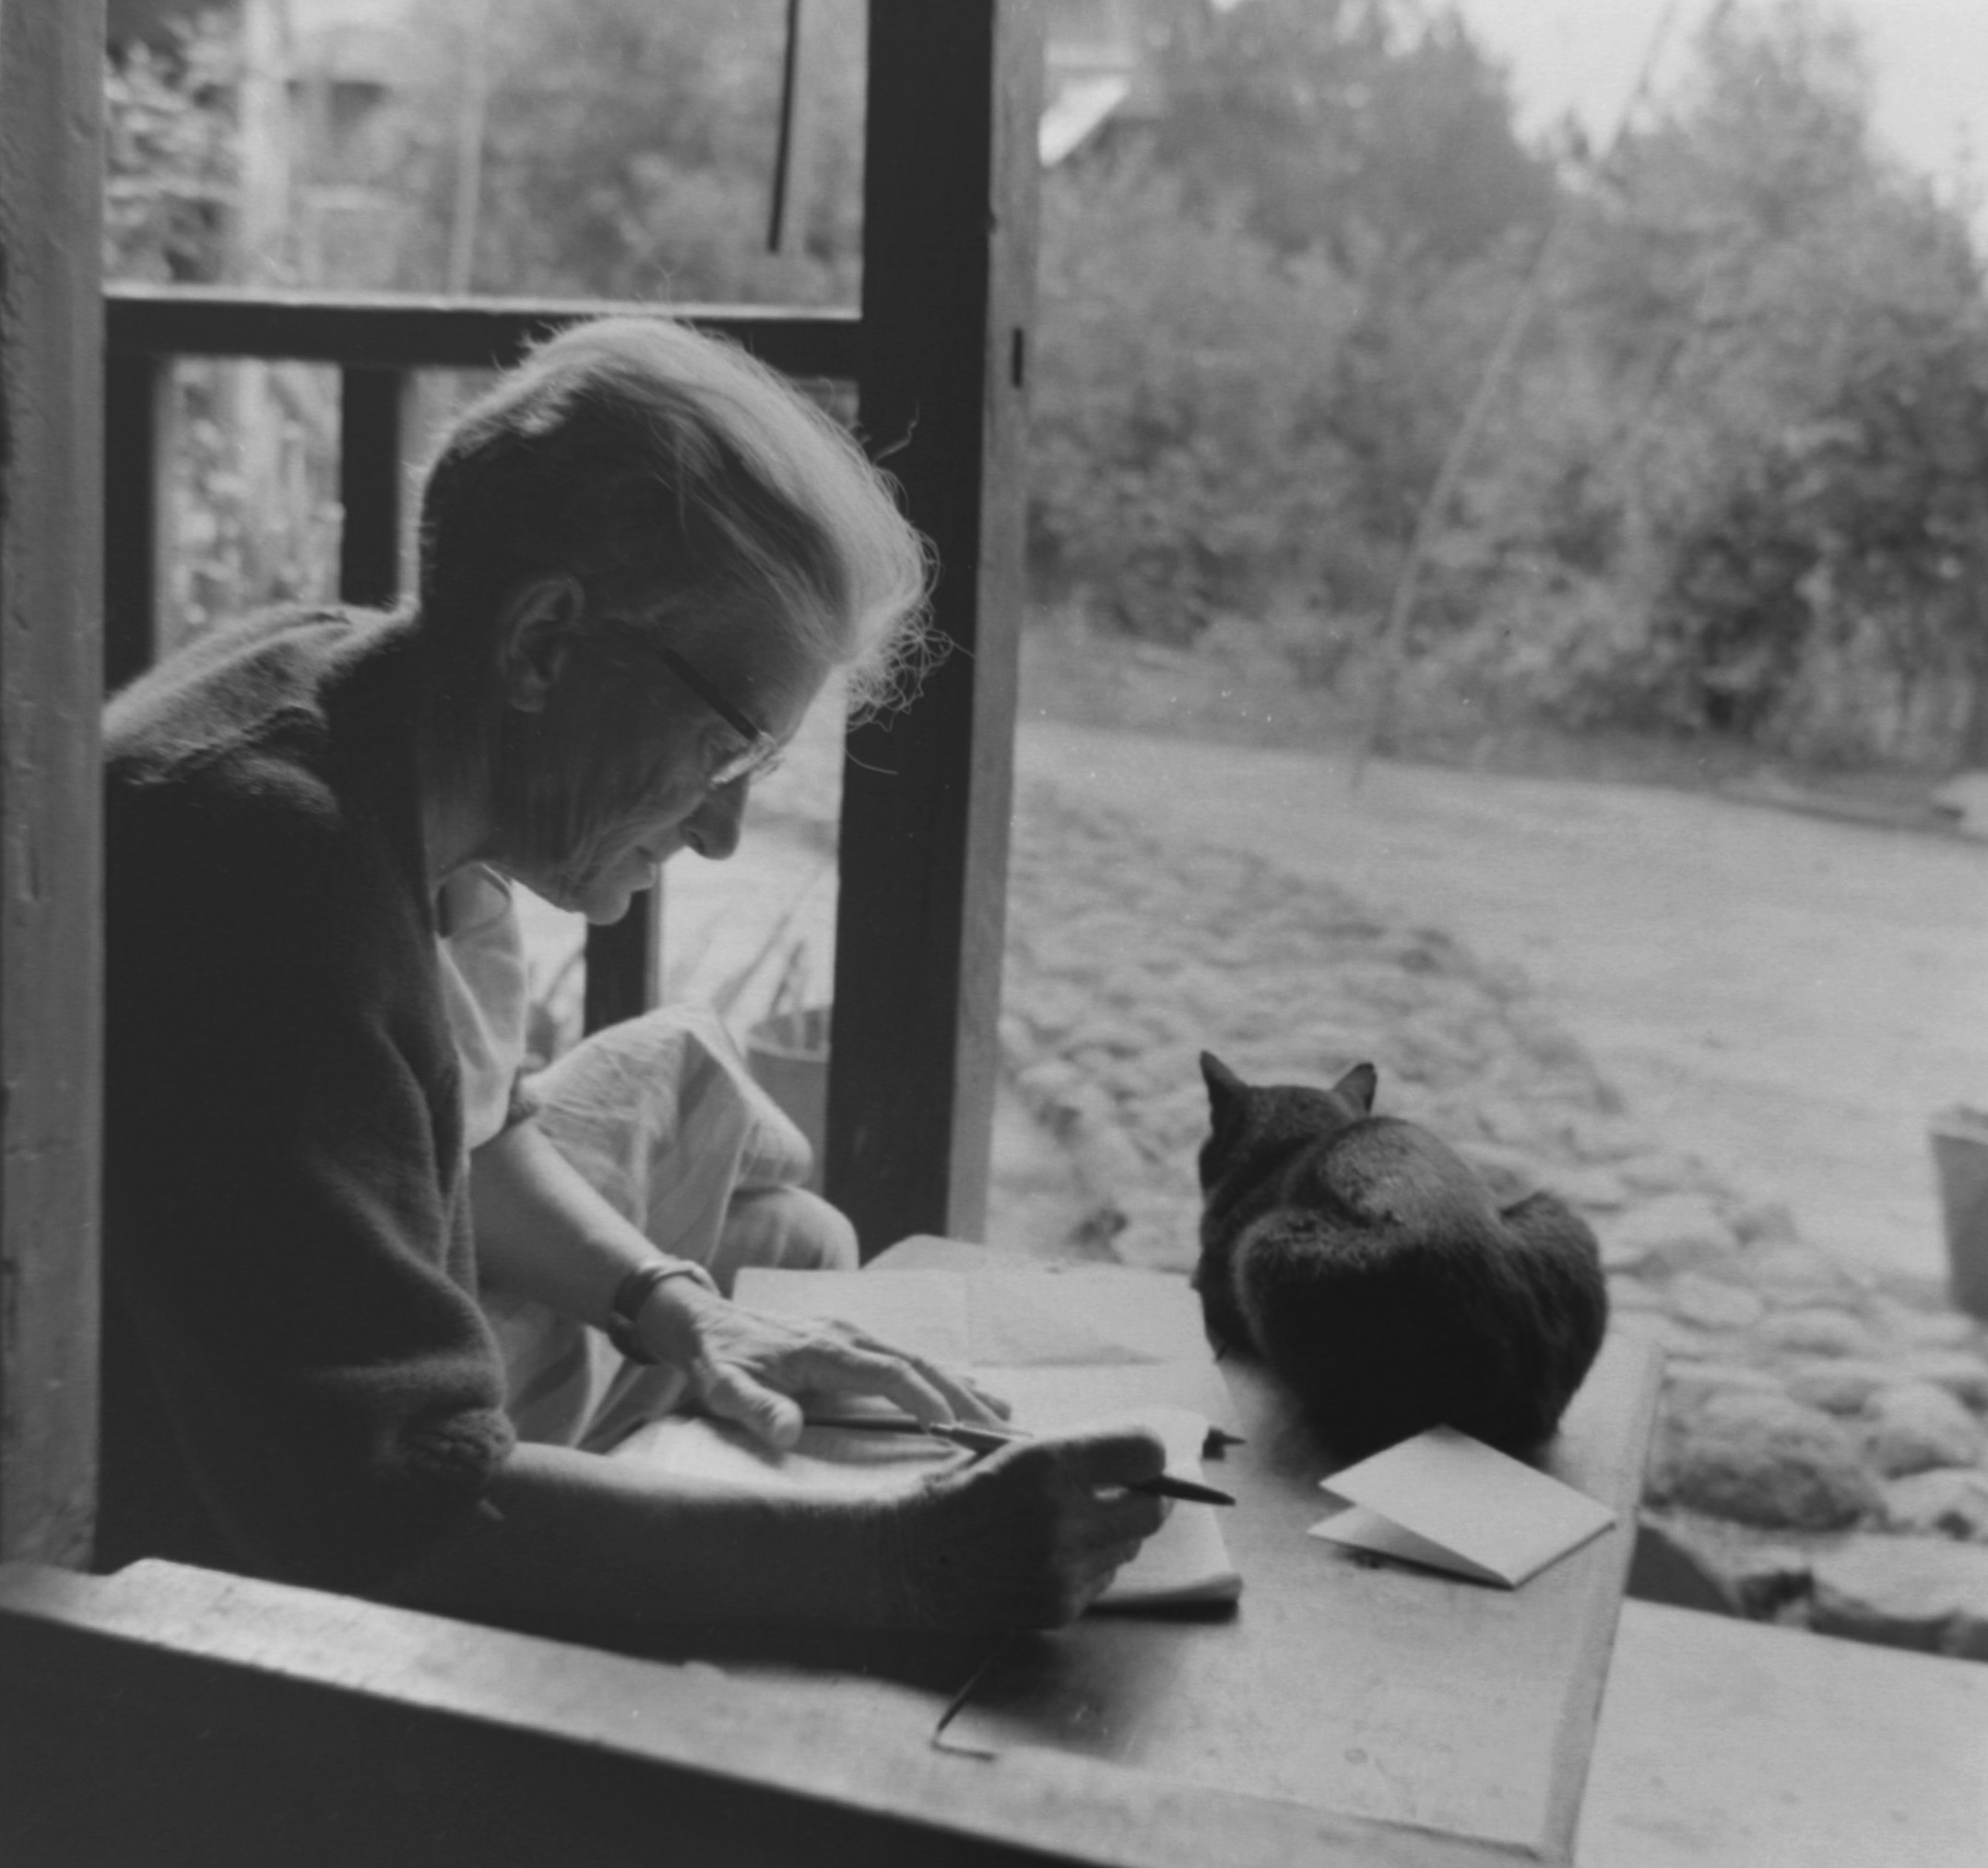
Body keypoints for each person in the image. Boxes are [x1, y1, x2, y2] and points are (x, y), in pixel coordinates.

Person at [101, 316, 1166, 1632]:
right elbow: (389, 1509)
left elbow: (472, 1126)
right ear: (544, 641)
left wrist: (676, 1307)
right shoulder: (274, 875)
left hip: (301, 1385)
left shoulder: (375, 706)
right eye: (726, 750)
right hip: (178, 1560)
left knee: (780, 1246)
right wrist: (907, 1561)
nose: (723, 831)